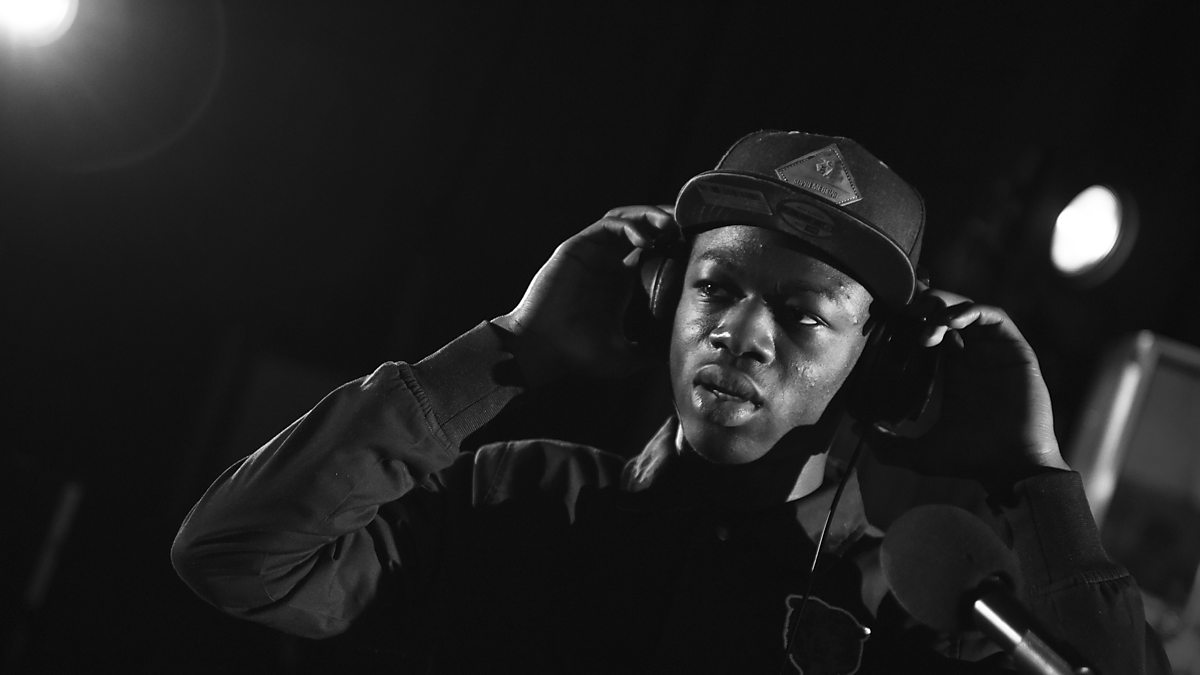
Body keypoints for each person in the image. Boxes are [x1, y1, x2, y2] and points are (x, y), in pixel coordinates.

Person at [172, 131, 1169, 673]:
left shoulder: (922, 612)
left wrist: (1034, 480)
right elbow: (236, 555)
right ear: (660, 300)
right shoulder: (512, 496)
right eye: (715, 287)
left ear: (878, 366)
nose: (741, 332)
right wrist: (507, 350)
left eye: (803, 314)